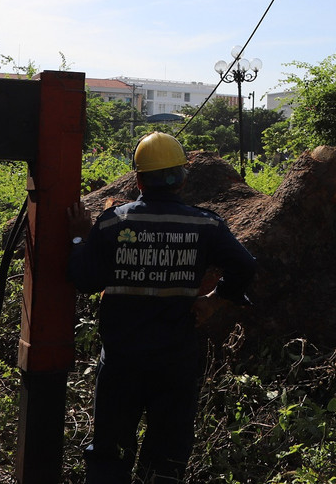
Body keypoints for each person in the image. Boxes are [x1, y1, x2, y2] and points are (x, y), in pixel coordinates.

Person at [67, 132, 257, 484]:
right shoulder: (206, 224)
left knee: (110, 453)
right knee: (168, 455)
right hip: (176, 361)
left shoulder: (113, 223)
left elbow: (85, 280)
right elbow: (245, 266)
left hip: (122, 362)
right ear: (182, 179)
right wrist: (215, 300)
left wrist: (81, 236)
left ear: (138, 180)